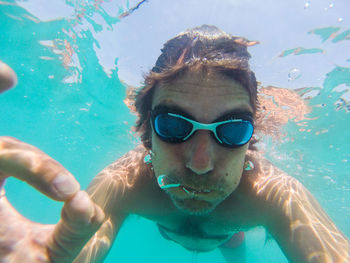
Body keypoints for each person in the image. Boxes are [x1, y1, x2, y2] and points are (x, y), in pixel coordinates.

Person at [0, 25, 349, 263]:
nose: (201, 163)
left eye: (231, 130)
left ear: (251, 137)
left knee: (234, 245)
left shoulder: (273, 194)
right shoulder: (125, 183)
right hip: (174, 230)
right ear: (146, 132)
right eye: (172, 125)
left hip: (229, 234)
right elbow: (72, 246)